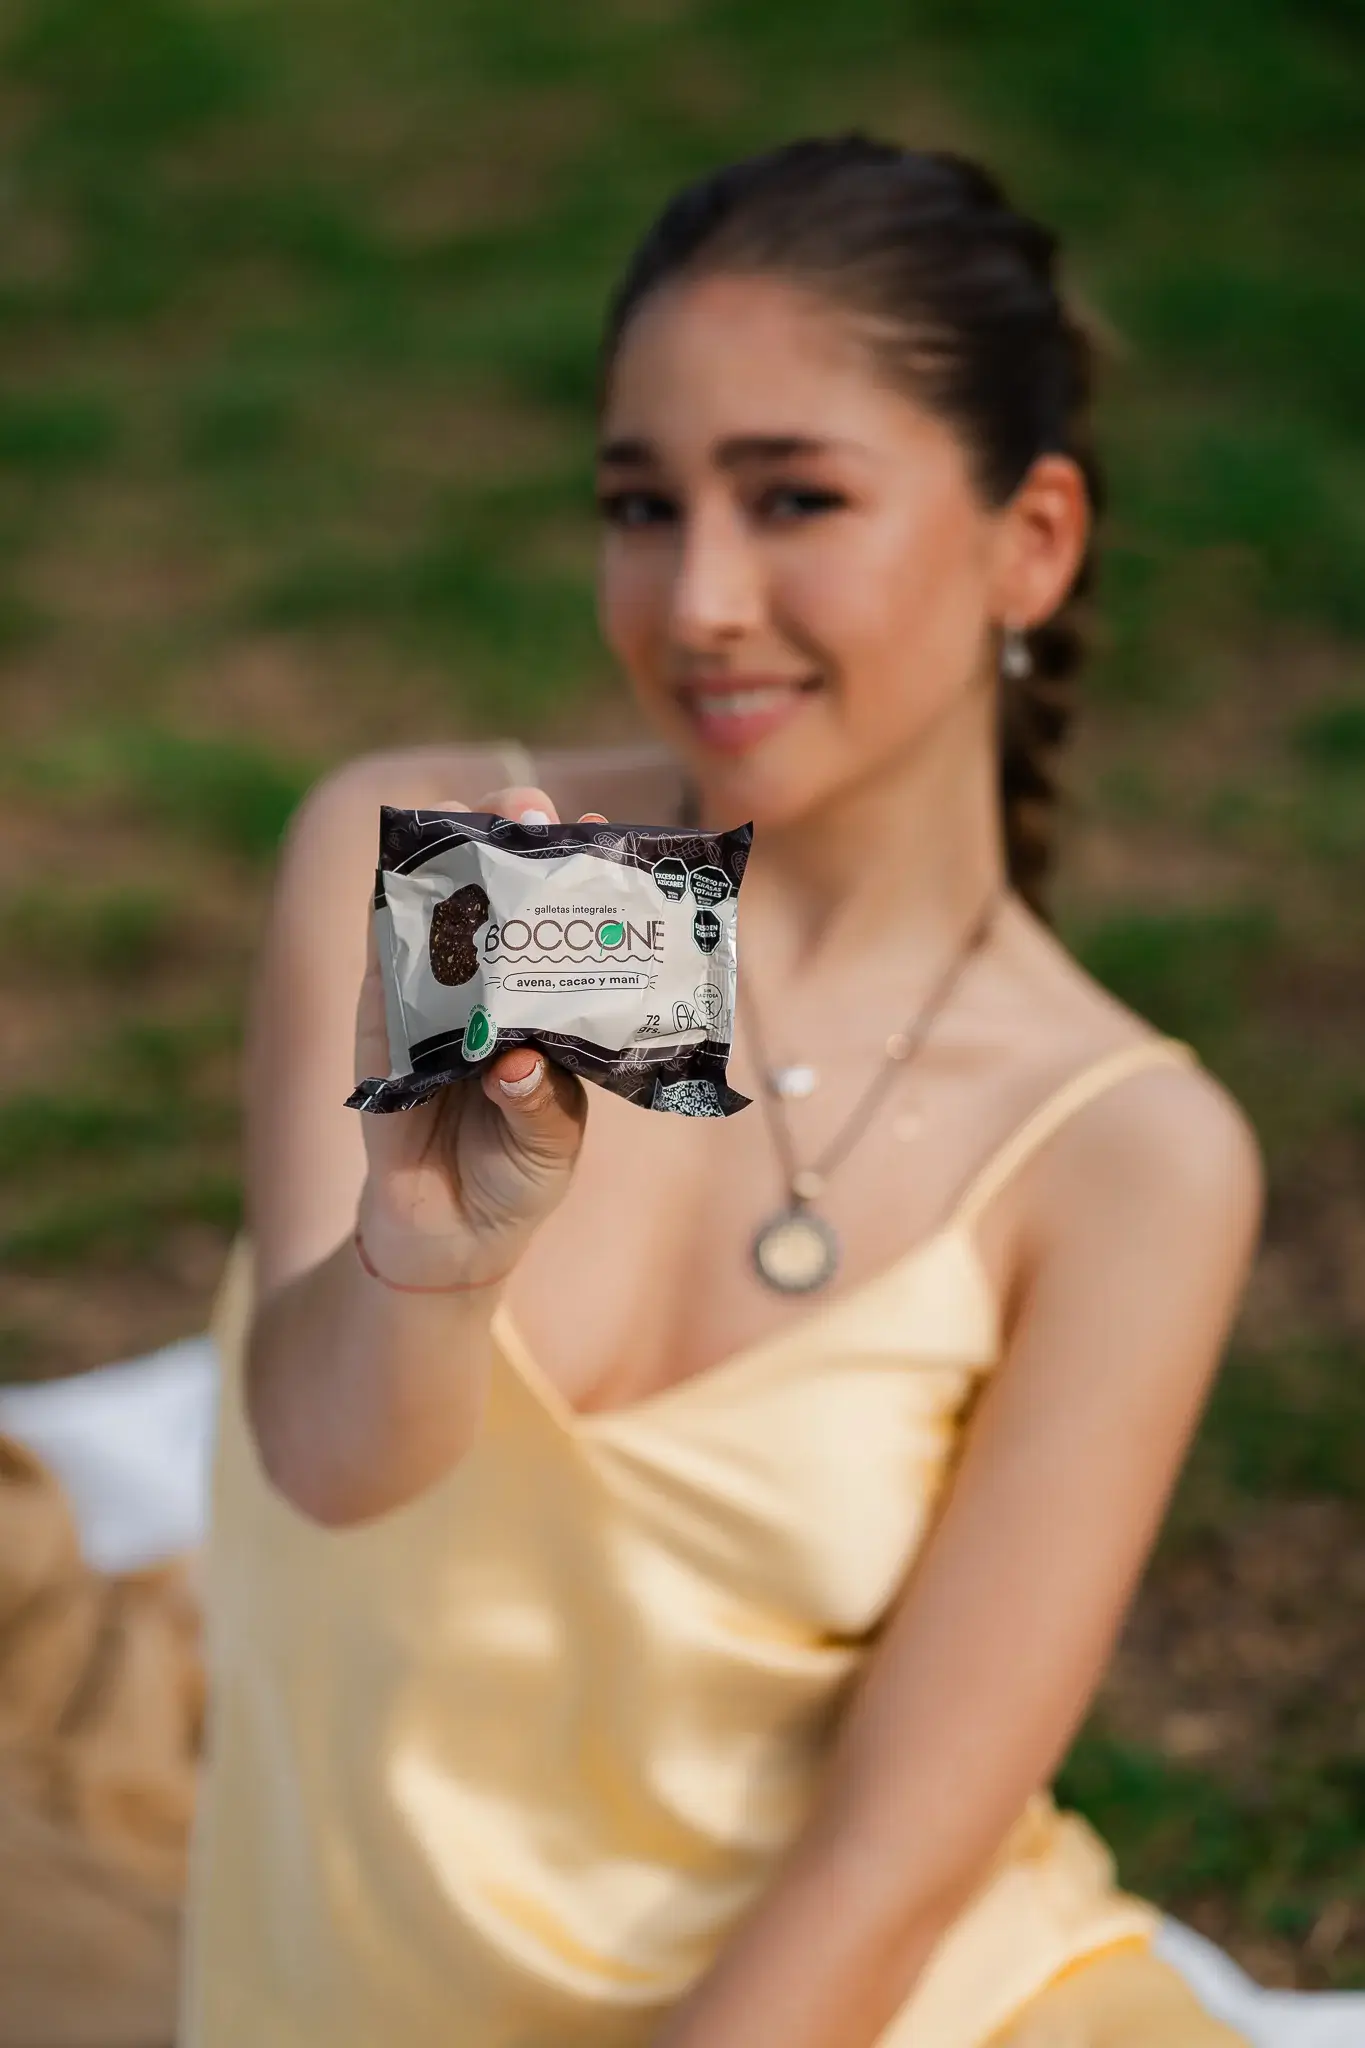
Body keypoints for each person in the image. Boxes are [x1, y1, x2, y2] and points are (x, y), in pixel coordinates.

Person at [181, 137, 1268, 2046]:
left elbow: (892, 1864)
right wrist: (425, 1261)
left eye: (794, 498)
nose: (696, 597)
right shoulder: (448, 871)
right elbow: (328, 1474)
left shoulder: (1126, 1153)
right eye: (640, 502)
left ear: (1032, 540)